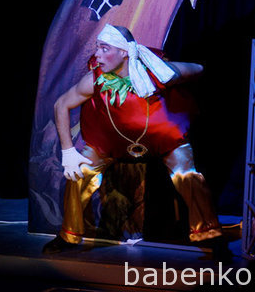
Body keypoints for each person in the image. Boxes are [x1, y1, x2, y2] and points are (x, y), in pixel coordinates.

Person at [42, 23, 225, 254]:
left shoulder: (160, 74)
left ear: (124, 52)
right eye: (97, 47)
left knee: (187, 176)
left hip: (162, 140)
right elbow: (61, 104)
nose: (97, 54)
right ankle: (68, 236)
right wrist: (68, 152)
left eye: (105, 48)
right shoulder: (94, 80)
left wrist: (173, 73)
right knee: (79, 174)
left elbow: (198, 69)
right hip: (109, 143)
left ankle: (209, 234)